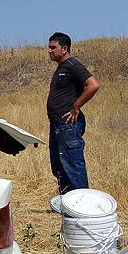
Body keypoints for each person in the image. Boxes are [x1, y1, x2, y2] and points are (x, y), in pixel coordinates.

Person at [46, 32, 100, 194]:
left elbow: (93, 85)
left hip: (68, 125)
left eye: (53, 47)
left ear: (64, 49)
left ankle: (82, 204)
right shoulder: (62, 68)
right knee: (59, 166)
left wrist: (76, 106)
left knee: (72, 165)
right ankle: (69, 202)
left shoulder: (72, 65)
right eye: (48, 47)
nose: (49, 51)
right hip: (57, 125)